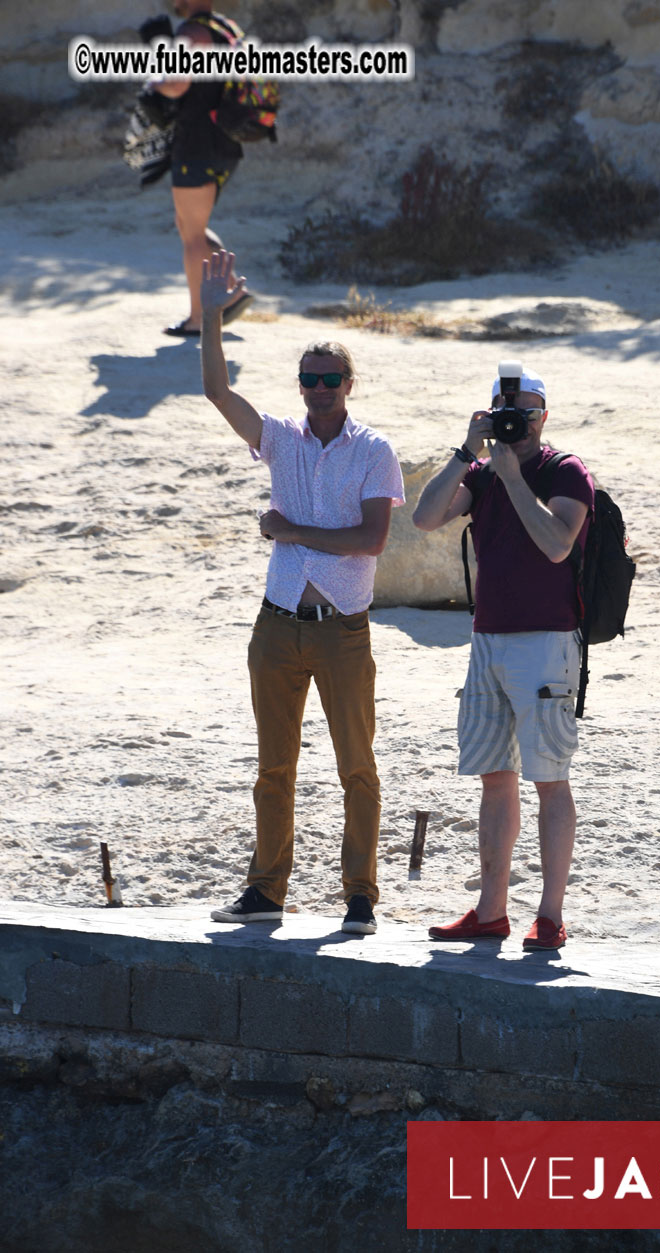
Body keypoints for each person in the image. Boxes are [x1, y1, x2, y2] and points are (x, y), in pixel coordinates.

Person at [201, 249, 405, 933]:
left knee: (357, 767)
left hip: (343, 626)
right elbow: (218, 394)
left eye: (331, 378)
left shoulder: (372, 449)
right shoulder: (281, 441)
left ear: (350, 383)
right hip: (277, 624)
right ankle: (266, 891)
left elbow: (371, 539)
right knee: (272, 768)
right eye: (310, 378)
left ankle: (360, 895)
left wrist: (290, 529)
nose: (319, 388)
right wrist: (210, 317)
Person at [412, 367, 594, 950]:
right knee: (495, 778)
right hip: (487, 641)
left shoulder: (564, 471)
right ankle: (491, 911)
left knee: (550, 780)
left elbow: (557, 543)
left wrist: (514, 478)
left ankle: (549, 913)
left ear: (545, 417)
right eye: (504, 414)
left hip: (546, 644)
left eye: (526, 413)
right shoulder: (482, 473)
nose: (515, 424)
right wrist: (466, 451)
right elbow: (424, 518)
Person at [147, 2, 253, 337]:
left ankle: (198, 319)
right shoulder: (226, 29)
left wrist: (153, 85)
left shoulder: (192, 32)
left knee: (192, 235)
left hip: (197, 143)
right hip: (225, 141)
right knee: (189, 224)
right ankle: (234, 290)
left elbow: (177, 83)